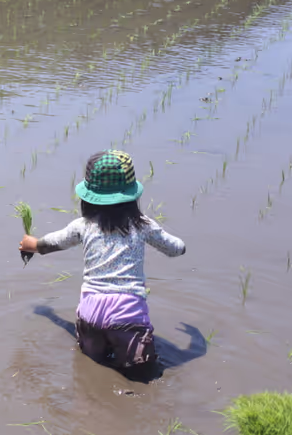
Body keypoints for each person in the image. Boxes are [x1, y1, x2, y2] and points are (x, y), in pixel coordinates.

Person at [19, 150, 185, 375]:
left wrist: (32, 244)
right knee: (143, 373)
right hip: (127, 315)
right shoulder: (143, 225)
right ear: (131, 195)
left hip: (90, 314)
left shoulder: (83, 225)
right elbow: (176, 249)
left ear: (87, 196)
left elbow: (50, 244)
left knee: (93, 367)